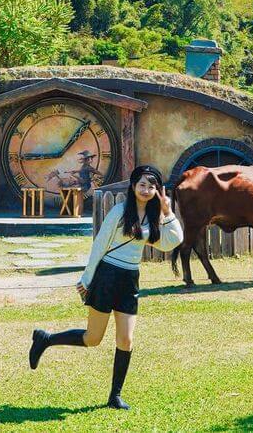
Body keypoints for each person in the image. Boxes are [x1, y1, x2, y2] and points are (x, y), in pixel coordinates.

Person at [29, 164, 183, 410]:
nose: (146, 189)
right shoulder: (120, 212)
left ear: (158, 190)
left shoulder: (155, 218)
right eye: (142, 184)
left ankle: (115, 397)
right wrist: (87, 279)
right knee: (93, 339)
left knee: (126, 339)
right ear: (133, 186)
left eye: (151, 186)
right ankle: (46, 339)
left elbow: (173, 241)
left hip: (130, 279)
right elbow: (99, 245)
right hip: (107, 275)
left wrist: (167, 211)